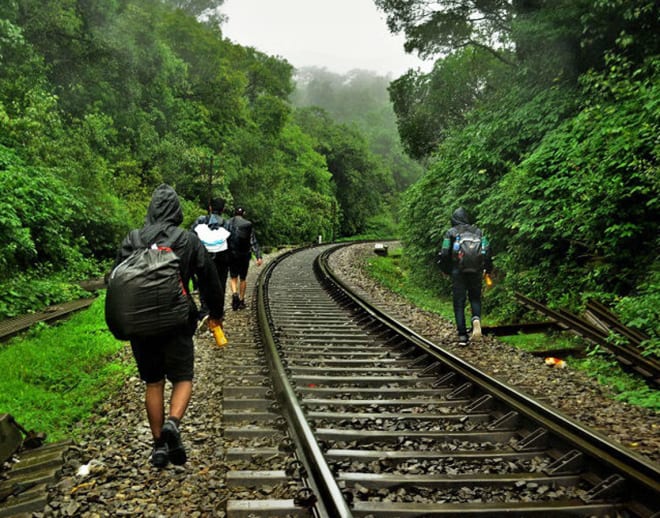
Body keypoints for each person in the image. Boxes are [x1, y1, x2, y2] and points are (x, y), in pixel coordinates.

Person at [112, 184, 224, 468]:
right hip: (177, 322)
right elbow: (209, 279)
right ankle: (173, 423)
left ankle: (159, 445)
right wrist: (213, 313)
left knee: (153, 382)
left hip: (140, 325)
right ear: (177, 210)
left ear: (150, 210)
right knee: (183, 378)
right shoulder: (187, 239)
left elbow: (115, 279)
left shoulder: (132, 238)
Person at [438, 207, 492, 346]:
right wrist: (488, 269)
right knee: (475, 298)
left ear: (454, 219)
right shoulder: (478, 232)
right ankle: (475, 319)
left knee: (459, 302)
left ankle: (462, 335)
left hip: (458, 271)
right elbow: (487, 250)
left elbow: (444, 253)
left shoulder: (451, 232)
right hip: (476, 270)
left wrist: (445, 269)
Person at [191, 197, 230, 324]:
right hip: (222, 259)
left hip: (203, 257)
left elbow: (191, 236)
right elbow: (232, 242)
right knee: (220, 284)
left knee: (203, 283)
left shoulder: (201, 221)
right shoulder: (227, 223)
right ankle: (217, 313)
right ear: (223, 209)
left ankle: (204, 312)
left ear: (210, 208)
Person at [226, 207, 263, 310]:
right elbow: (253, 241)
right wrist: (258, 256)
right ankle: (241, 300)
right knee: (243, 278)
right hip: (244, 255)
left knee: (233, 277)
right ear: (244, 213)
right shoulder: (248, 225)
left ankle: (234, 294)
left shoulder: (228, 223)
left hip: (232, 254)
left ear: (234, 213)